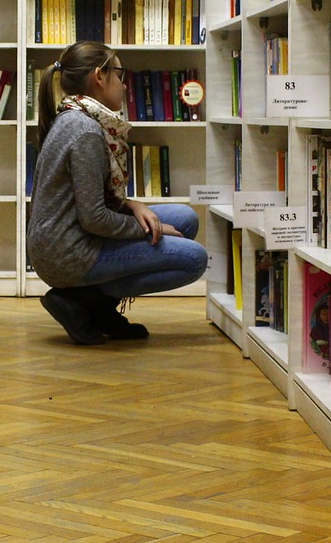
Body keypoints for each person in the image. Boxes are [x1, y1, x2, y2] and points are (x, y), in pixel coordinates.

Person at [27, 40, 208, 345]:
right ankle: (87, 301)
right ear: (100, 76)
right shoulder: (85, 131)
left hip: (68, 239)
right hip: (68, 254)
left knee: (185, 219)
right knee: (194, 260)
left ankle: (92, 303)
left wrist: (132, 205)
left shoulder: (78, 117)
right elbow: (94, 218)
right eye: (120, 75)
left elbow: (91, 199)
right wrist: (151, 230)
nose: (124, 85)